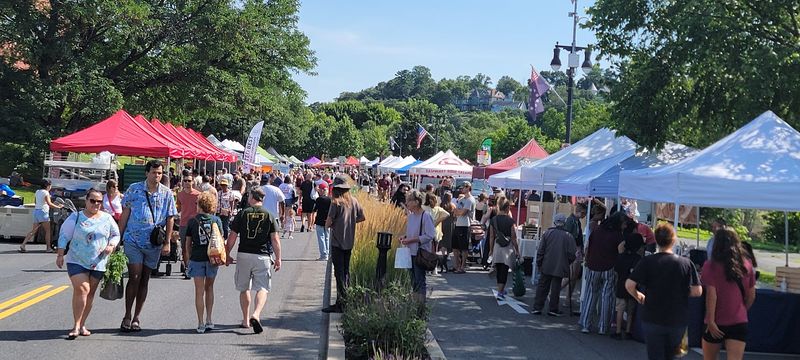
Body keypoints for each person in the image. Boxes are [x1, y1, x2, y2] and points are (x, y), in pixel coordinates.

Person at [626, 223, 703, 360]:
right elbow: (697, 291)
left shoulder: (647, 261)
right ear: (673, 240)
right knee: (676, 356)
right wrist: (681, 292)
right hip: (678, 319)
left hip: (652, 317)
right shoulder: (686, 263)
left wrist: (639, 297)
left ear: (656, 239)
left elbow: (630, 284)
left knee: (655, 356)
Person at [118, 160, 177, 332]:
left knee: (145, 278)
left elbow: (170, 217)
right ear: (146, 173)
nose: (157, 176)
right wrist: (117, 237)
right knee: (134, 276)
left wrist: (167, 242)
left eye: (159, 173)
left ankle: (137, 316)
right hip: (133, 240)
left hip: (153, 243)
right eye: (154, 172)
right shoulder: (134, 189)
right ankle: (127, 315)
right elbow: (125, 214)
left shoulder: (166, 193)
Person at [55, 189, 120, 339]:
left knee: (89, 293)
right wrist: (60, 254)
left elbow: (116, 234)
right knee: (83, 289)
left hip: (98, 261)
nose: (96, 204)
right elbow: (64, 235)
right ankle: (76, 326)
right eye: (92, 201)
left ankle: (82, 324)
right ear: (86, 201)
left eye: (99, 201)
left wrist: (111, 245)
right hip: (76, 260)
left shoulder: (107, 218)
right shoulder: (76, 217)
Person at [225, 187, 282, 334]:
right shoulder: (269, 215)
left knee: (244, 288)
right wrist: (278, 258)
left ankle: (245, 320)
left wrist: (227, 253)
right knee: (262, 288)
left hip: (244, 254)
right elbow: (275, 239)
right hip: (262, 255)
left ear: (252, 197)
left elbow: (232, 236)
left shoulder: (243, 213)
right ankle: (256, 314)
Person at [701, 228, 756, 360]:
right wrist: (741, 309)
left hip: (716, 321)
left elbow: (711, 295)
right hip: (739, 320)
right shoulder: (747, 265)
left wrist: (711, 320)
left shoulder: (710, 266)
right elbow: (751, 295)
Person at [322, 176, 365, 313]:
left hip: (337, 242)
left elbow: (328, 223)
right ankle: (347, 299)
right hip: (349, 241)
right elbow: (362, 217)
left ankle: (341, 302)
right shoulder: (354, 201)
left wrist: (334, 224)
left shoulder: (336, 202)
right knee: (346, 272)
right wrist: (351, 221)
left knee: (339, 273)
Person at [580, 211, 628, 335]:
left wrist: (587, 260)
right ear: (619, 223)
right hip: (609, 268)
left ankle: (585, 324)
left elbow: (588, 247)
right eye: (624, 224)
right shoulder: (618, 236)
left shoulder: (597, 231)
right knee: (607, 297)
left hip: (593, 266)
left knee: (591, 295)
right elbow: (621, 253)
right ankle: (603, 327)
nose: (625, 226)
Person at [184, 192, 223, 333]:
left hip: (197, 257)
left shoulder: (192, 221)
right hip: (212, 259)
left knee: (199, 291)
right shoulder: (216, 220)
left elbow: (187, 243)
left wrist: (188, 259)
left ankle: (200, 322)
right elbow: (220, 240)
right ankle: (209, 320)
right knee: (210, 288)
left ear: (199, 204)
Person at [533, 213, 576, 315]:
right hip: (560, 265)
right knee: (556, 288)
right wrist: (567, 262)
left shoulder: (547, 233)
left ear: (554, 222)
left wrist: (539, 263)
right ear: (564, 223)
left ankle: (537, 307)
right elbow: (572, 254)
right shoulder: (568, 236)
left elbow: (541, 250)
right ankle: (553, 308)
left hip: (546, 264)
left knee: (542, 286)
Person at [399, 190, 436, 302]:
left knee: (420, 281)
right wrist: (404, 237)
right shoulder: (411, 216)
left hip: (420, 253)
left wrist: (412, 240)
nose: (407, 204)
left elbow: (430, 235)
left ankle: (420, 308)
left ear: (416, 202)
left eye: (408, 201)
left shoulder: (425, 216)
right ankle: (415, 305)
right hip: (410, 252)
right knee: (413, 281)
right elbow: (411, 232)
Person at [612, 233, 644, 340]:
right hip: (633, 287)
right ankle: (628, 330)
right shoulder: (638, 259)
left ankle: (617, 331)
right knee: (631, 310)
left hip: (621, 284)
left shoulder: (620, 257)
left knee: (620, 308)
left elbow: (616, 271)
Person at [488, 197, 520, 300]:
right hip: (507, 247)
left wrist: (491, 249)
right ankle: (500, 291)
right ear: (507, 208)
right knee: (504, 270)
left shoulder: (494, 220)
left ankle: (500, 289)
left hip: (497, 246)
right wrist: (517, 250)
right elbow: (514, 237)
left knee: (499, 268)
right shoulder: (510, 221)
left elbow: (491, 236)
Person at [19, 180, 63, 253]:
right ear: (48, 186)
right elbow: (49, 203)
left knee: (33, 230)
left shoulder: (37, 191)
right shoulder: (46, 193)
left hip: (36, 211)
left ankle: (23, 244)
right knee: (48, 231)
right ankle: (48, 248)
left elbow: (36, 202)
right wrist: (58, 207)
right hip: (43, 212)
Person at [562, 202, 587, 314]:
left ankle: (568, 298)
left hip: (577, 250)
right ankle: (555, 291)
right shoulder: (571, 221)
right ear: (580, 211)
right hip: (573, 250)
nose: (585, 215)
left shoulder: (577, 221)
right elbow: (568, 235)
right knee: (571, 275)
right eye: (584, 213)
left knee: (574, 276)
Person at [177, 175, 201, 280]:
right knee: (184, 246)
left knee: (194, 246)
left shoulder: (198, 195)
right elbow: (178, 208)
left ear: (193, 182)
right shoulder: (180, 194)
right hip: (183, 223)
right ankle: (187, 267)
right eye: (185, 180)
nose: (187, 182)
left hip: (195, 223)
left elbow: (202, 208)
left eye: (189, 181)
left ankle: (193, 265)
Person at [422, 193, 450, 275]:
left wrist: (437, 221)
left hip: (434, 232)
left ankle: (433, 268)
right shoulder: (424, 208)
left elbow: (447, 214)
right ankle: (428, 268)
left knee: (433, 251)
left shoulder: (437, 208)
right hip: (427, 232)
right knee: (428, 251)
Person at [451, 182, 475, 274]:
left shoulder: (470, 200)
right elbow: (455, 211)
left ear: (468, 188)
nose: (462, 189)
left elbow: (463, 213)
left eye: (464, 188)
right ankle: (457, 265)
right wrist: (458, 211)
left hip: (465, 225)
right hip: (458, 224)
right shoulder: (462, 199)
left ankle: (462, 267)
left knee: (464, 247)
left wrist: (459, 211)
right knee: (455, 247)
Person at [312, 182, 332, 261]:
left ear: (321, 190)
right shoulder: (330, 199)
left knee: (321, 237)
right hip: (328, 220)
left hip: (319, 220)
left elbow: (315, 210)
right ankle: (327, 253)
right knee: (327, 237)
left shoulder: (318, 199)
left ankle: (323, 255)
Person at [438, 192, 456, 273]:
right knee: (449, 239)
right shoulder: (452, 206)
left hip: (442, 223)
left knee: (443, 240)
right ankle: (447, 255)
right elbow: (455, 215)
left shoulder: (441, 205)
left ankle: (442, 254)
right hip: (450, 224)